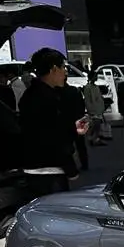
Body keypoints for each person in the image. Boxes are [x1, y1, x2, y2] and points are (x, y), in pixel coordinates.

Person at [17, 47, 79, 180]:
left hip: (33, 164)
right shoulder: (47, 98)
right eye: (63, 67)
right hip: (50, 169)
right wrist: (71, 169)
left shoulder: (31, 94)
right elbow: (55, 137)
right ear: (54, 69)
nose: (65, 72)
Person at [82, 81, 108, 148]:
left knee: (95, 125)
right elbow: (90, 99)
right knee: (95, 124)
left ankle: (93, 138)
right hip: (94, 109)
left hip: (96, 108)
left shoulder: (94, 87)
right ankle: (93, 139)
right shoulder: (89, 88)